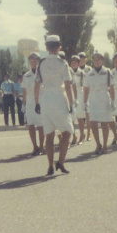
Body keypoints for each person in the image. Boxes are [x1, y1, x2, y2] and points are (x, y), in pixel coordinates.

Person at [34, 35, 75, 175]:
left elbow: (37, 84)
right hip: (59, 97)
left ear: (46, 47)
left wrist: (37, 102)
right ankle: (61, 162)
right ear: (59, 47)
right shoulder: (63, 63)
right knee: (67, 132)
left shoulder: (41, 63)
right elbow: (68, 86)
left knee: (49, 134)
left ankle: (50, 165)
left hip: (45, 98)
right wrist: (72, 102)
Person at [83, 51, 116, 154]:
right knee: (93, 123)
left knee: (104, 124)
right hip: (93, 99)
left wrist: (113, 101)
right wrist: (84, 102)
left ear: (102, 61)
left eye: (98, 59)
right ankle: (98, 144)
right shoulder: (89, 73)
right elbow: (86, 88)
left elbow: (111, 88)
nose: (96, 61)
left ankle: (105, 145)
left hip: (104, 98)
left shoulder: (107, 72)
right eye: (95, 60)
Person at [22, 52, 44, 155]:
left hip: (41, 101)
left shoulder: (43, 73)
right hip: (30, 102)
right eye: (31, 60)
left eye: (36, 60)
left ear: (39, 61)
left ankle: (42, 146)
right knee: (30, 125)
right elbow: (25, 90)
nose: (34, 62)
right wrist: (23, 103)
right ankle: (35, 146)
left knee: (41, 125)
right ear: (29, 62)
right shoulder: (26, 75)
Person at [70, 55, 87, 144]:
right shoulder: (68, 71)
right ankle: (74, 135)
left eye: (75, 62)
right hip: (70, 94)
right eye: (72, 62)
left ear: (78, 63)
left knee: (80, 117)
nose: (74, 64)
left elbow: (84, 86)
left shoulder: (82, 73)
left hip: (80, 95)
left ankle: (82, 135)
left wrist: (85, 100)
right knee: (71, 118)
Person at [78, 51, 92, 140]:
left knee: (88, 114)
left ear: (85, 59)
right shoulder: (75, 69)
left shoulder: (89, 69)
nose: (81, 61)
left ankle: (88, 133)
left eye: (83, 59)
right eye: (80, 59)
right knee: (80, 115)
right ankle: (81, 133)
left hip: (88, 92)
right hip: (79, 93)